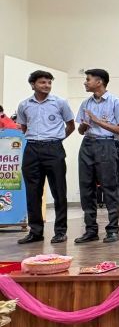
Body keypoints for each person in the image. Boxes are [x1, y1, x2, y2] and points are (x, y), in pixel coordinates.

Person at [16, 71, 75, 244]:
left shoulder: (60, 103)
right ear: (33, 85)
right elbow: (24, 127)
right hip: (32, 149)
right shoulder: (24, 105)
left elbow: (70, 125)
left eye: (49, 82)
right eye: (42, 82)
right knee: (33, 191)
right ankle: (35, 232)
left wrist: (57, 140)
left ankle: (60, 231)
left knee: (59, 191)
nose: (47, 86)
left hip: (54, 148)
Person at [74, 69, 119, 244]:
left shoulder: (116, 102)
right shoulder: (85, 103)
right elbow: (80, 130)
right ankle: (90, 230)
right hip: (87, 144)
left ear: (99, 82)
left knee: (109, 187)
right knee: (86, 188)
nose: (85, 82)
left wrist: (98, 121)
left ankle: (112, 230)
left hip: (106, 144)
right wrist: (84, 125)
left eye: (88, 79)